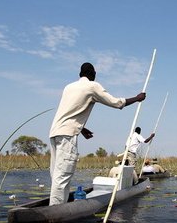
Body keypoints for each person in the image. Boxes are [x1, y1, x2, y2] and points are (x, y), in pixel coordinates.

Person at [49, 62, 146, 206]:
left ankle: (59, 205)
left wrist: (82, 129)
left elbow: (69, 112)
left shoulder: (68, 87)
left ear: (79, 74)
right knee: (63, 175)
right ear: (93, 73)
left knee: (56, 174)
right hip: (67, 135)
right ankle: (55, 210)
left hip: (55, 132)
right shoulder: (92, 86)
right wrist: (137, 98)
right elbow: (116, 103)